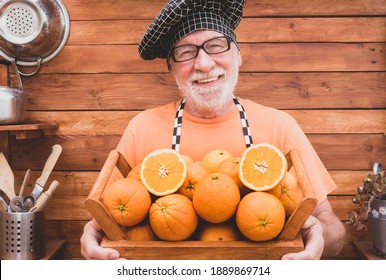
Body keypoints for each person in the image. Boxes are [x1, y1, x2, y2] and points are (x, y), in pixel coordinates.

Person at [80, 0, 345, 260]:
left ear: (238, 54)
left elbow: (332, 227)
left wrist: (318, 235)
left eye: (216, 46)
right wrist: (91, 235)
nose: (204, 64)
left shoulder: (280, 126)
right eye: (185, 52)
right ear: (172, 68)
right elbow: (106, 219)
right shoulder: (142, 128)